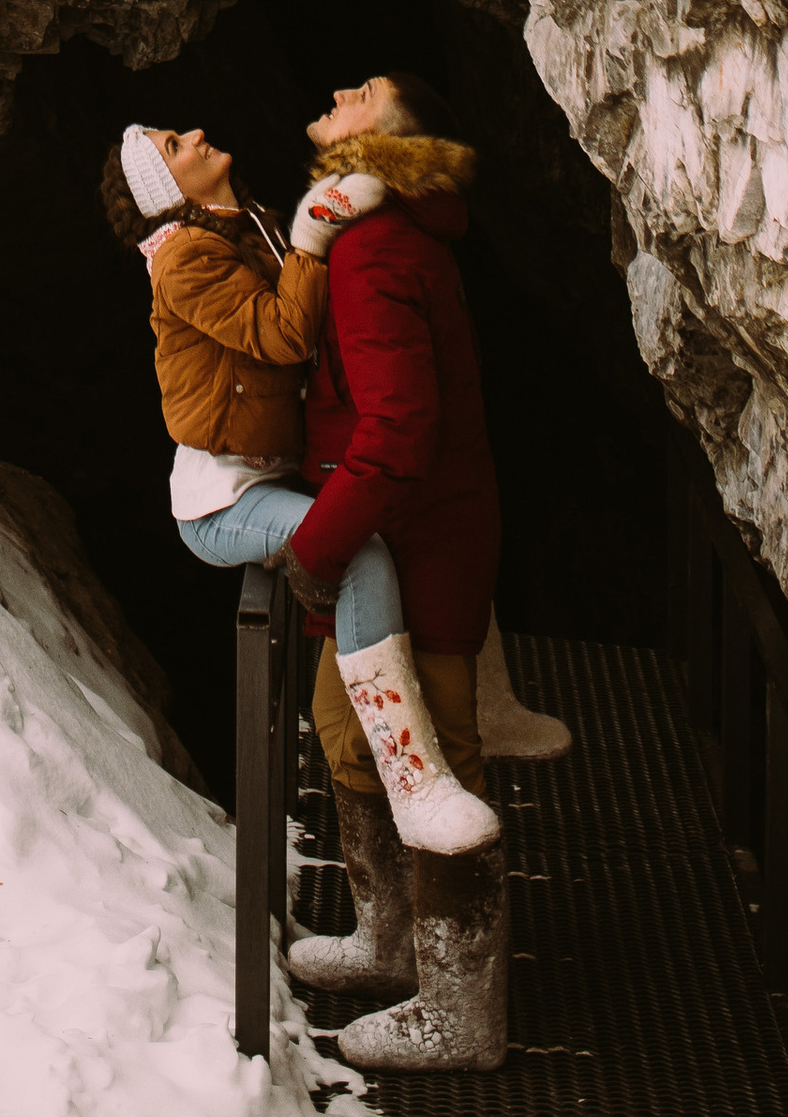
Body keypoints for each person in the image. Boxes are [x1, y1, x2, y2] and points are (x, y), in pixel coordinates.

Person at [101, 116, 497, 860]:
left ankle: (415, 782)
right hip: (224, 503)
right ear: (166, 186)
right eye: (174, 147)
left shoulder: (242, 226)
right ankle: (416, 781)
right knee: (365, 556)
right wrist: (314, 242)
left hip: (269, 477)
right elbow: (283, 335)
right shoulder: (185, 256)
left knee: (383, 542)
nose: (193, 134)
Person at [276, 67, 568, 1072]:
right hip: (381, 547)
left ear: (391, 136)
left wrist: (315, 545)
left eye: (362, 89)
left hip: (410, 547)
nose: (342, 85)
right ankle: (391, 941)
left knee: (433, 759)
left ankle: (461, 1012)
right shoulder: (372, 237)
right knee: (342, 730)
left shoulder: (375, 252)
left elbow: (399, 426)